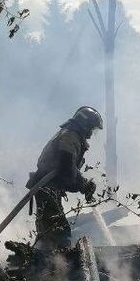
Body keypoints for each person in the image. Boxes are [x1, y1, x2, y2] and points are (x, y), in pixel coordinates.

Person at [27, 106, 102, 250]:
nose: (91, 134)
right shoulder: (70, 136)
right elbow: (67, 167)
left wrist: (81, 185)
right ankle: (55, 268)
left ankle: (39, 264)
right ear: (84, 124)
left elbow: (66, 173)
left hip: (48, 188)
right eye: (91, 129)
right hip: (47, 188)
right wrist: (84, 184)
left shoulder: (70, 135)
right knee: (59, 233)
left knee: (49, 232)